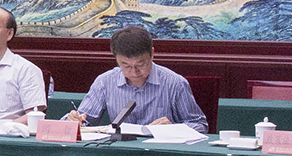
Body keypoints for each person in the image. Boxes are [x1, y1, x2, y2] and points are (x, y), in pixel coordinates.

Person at [68, 26, 207, 131]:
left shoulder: (174, 83)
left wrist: (173, 128)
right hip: (120, 153)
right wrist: (75, 120)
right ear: (116, 58)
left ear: (152, 54)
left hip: (161, 152)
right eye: (126, 65)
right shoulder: (104, 82)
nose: (134, 72)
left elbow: (200, 125)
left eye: (140, 65)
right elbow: (85, 120)